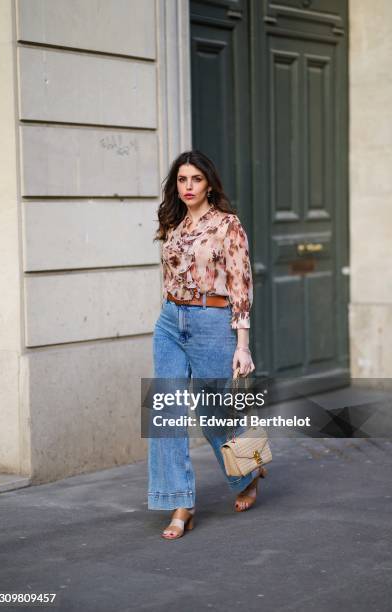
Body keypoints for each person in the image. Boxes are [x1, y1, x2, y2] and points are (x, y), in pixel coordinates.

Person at [148, 150, 267, 540]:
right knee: (165, 411)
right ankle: (181, 504)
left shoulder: (227, 226)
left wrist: (242, 343)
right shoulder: (173, 223)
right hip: (170, 322)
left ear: (209, 183)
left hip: (212, 322)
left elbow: (240, 285)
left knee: (214, 411)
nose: (187, 187)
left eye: (195, 179)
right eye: (181, 180)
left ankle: (248, 470)